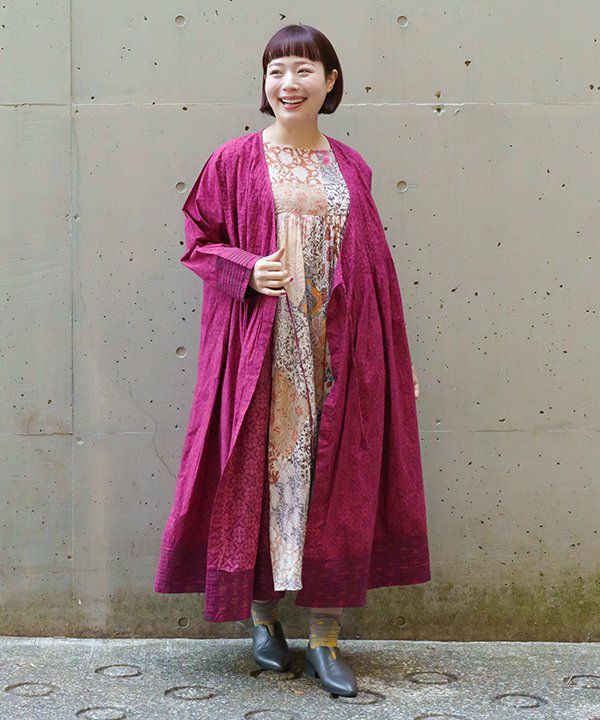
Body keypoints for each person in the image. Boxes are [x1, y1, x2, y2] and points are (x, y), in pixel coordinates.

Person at [154, 23, 430, 699]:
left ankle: (326, 638)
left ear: (330, 81)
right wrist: (247, 269)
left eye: (304, 69)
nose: (289, 83)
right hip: (261, 354)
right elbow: (198, 243)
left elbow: (377, 270)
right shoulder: (234, 160)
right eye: (277, 70)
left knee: (336, 485)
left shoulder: (352, 167)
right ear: (265, 82)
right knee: (260, 477)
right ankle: (262, 620)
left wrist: (395, 360)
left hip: (340, 352)